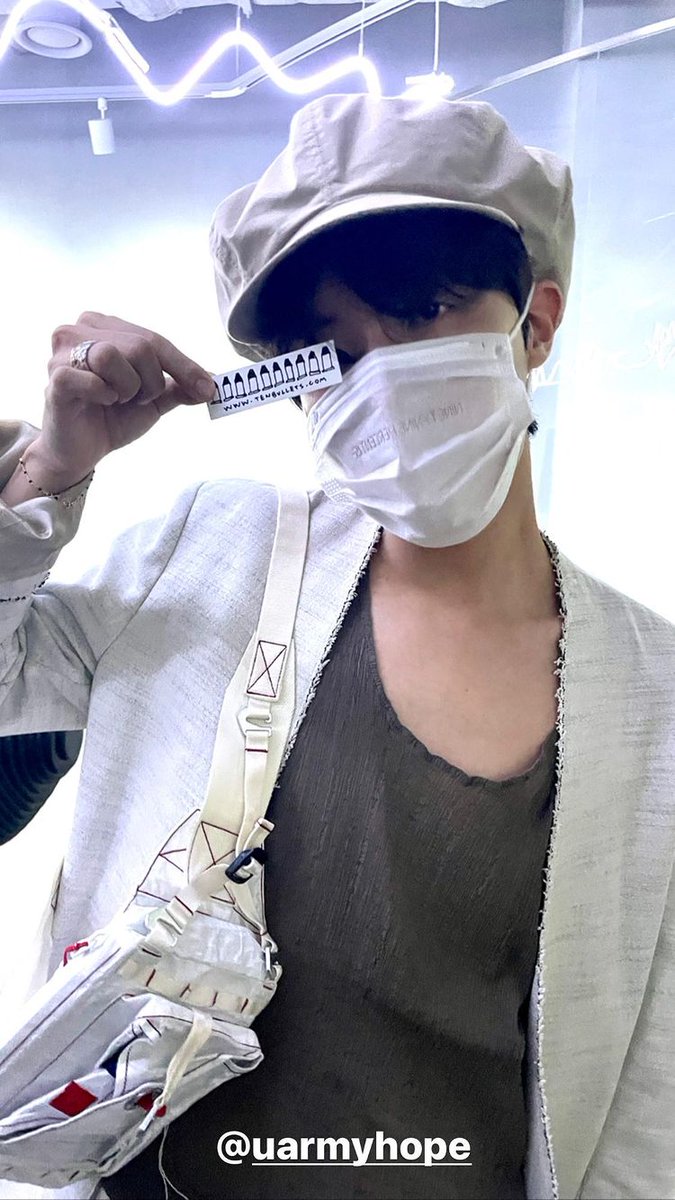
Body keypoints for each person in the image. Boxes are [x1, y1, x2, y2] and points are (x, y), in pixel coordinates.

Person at [0, 94, 673, 1200]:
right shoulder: (205, 552)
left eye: (423, 312)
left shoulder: (651, 695)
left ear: (536, 324)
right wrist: (48, 471)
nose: (383, 378)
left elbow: (647, 1094)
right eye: (337, 352)